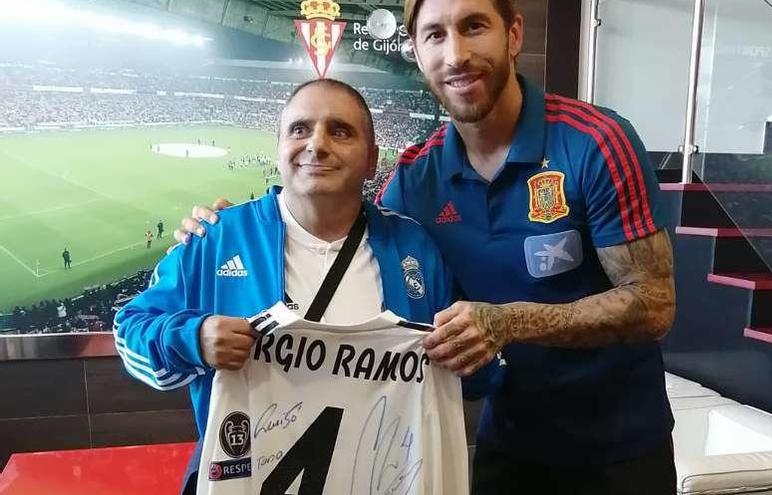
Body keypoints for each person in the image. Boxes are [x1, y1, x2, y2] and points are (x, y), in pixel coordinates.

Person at [177, 1, 676, 492]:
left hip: (620, 449)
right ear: (416, 51)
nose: (455, 54)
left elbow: (654, 304)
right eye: (435, 35)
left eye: (474, 26)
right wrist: (230, 227)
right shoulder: (417, 177)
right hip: (506, 440)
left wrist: (508, 322)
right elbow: (341, 234)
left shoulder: (597, 142)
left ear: (514, 35)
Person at [118, 78, 499, 494]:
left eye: (340, 131)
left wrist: (475, 347)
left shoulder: (414, 248)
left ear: (372, 161)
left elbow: (470, 378)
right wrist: (195, 339)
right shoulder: (217, 238)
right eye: (300, 129)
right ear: (279, 147)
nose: (316, 144)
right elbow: (130, 331)